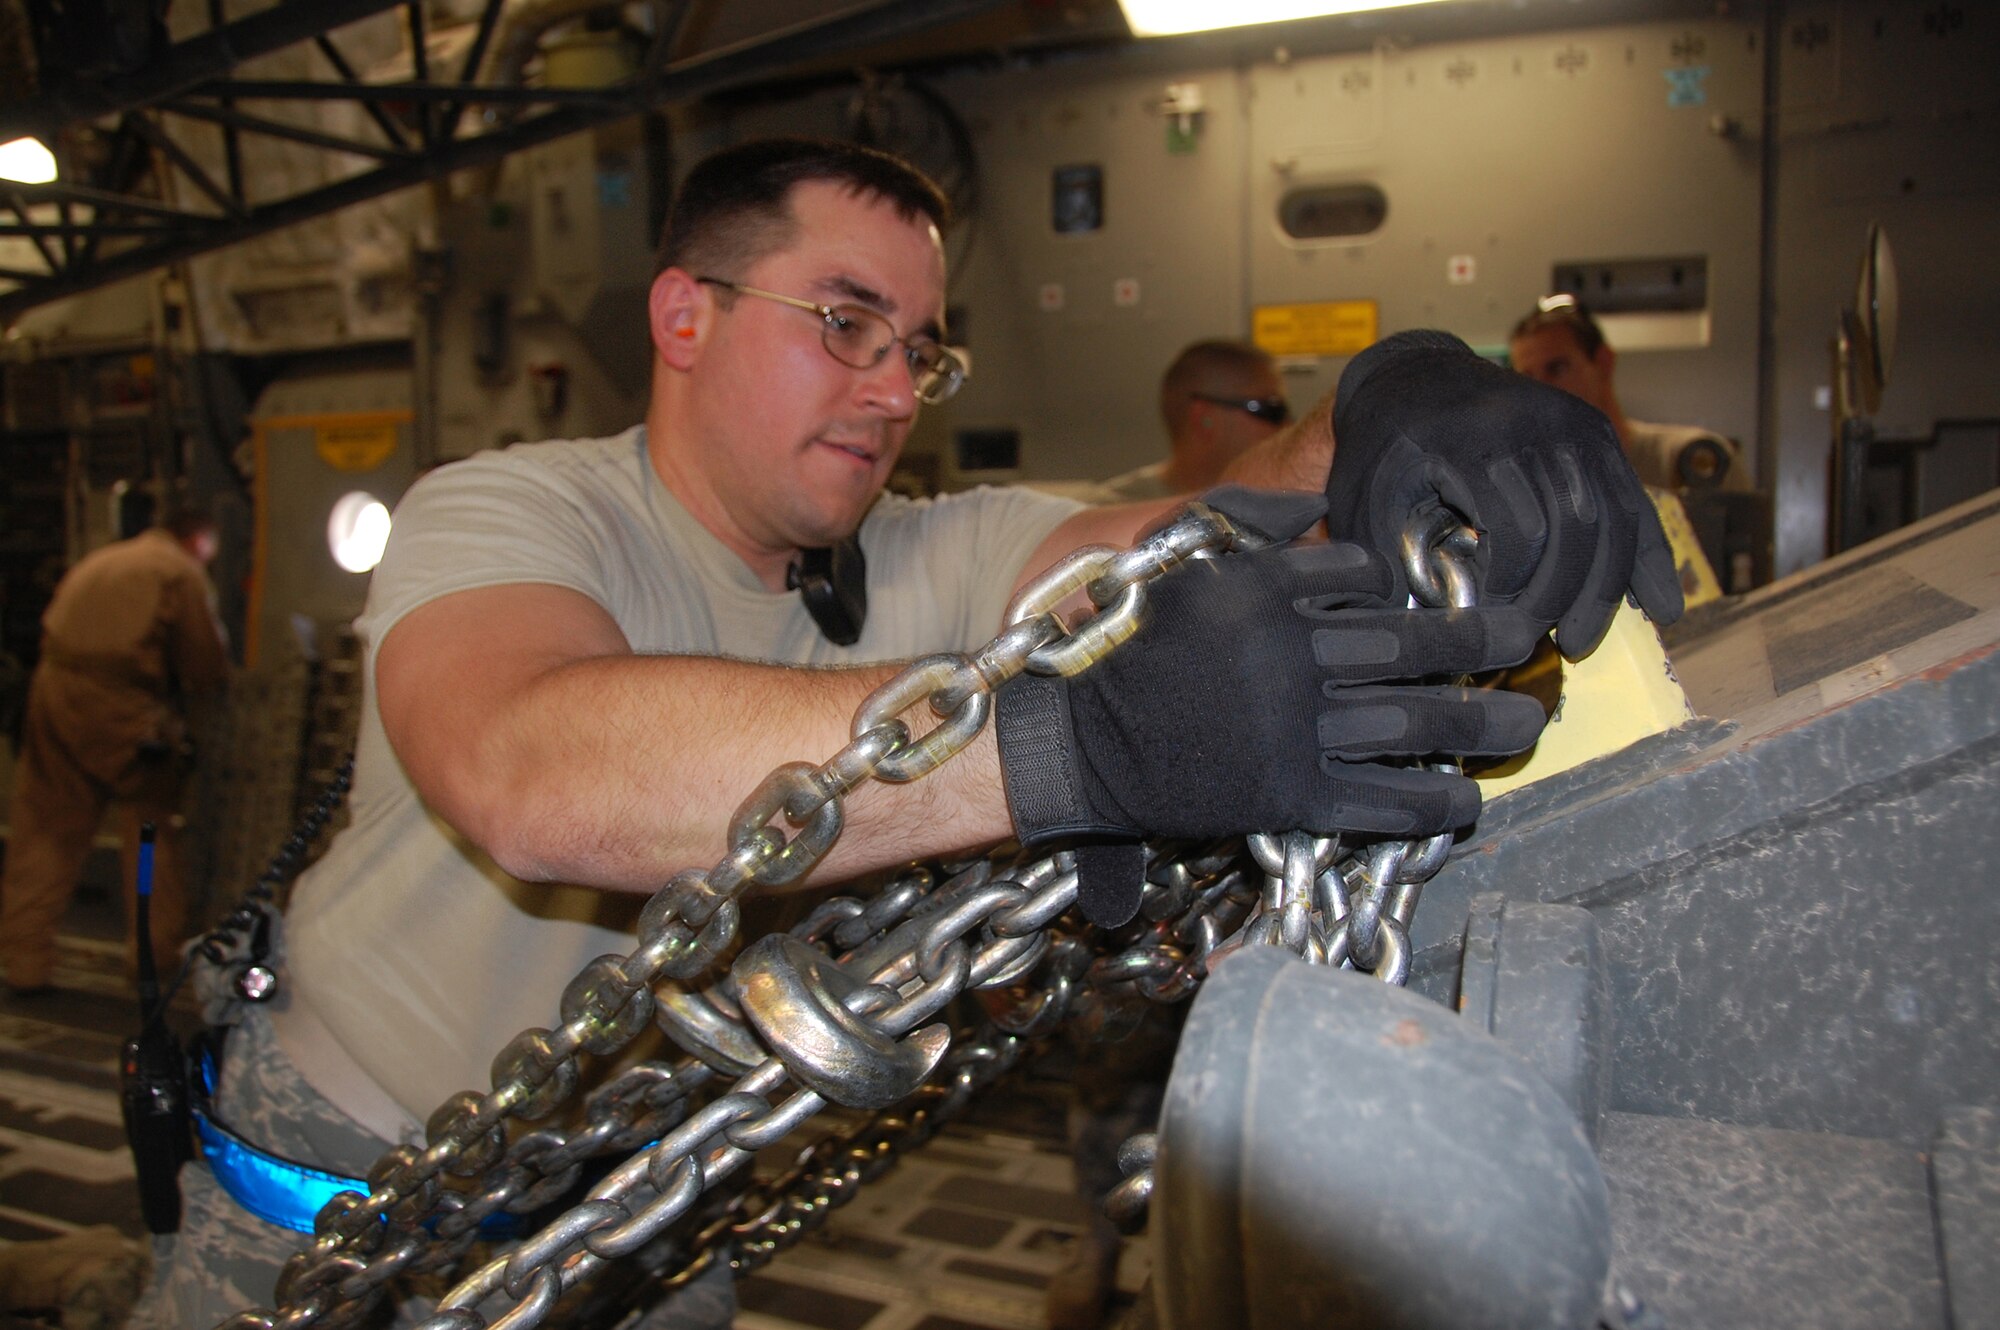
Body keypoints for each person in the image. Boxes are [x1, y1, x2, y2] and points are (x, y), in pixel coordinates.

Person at [131, 138, 1678, 1330]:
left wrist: (1408, 393)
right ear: (685, 314)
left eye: (919, 349)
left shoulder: (925, 555)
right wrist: (1071, 747)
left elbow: (1225, 507)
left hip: (644, 1233)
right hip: (343, 1203)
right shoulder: (516, 508)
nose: (889, 390)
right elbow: (531, 769)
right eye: (844, 323)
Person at [0, 505, 228, 996]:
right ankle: (152, 955)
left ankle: (24, 960)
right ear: (197, 543)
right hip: (120, 705)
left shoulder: (103, 560)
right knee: (149, 830)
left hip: (52, 690)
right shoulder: (176, 572)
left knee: (45, 828)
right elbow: (204, 660)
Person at [1508, 295, 1753, 494]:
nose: (1541, 390)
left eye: (1557, 369)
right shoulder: (1527, 485)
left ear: (1603, 362)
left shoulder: (1688, 462)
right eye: (1527, 378)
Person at [1097, 339, 1289, 500]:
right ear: (1205, 419)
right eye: (1271, 409)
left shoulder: (1284, 507)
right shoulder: (1113, 512)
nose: (1287, 425)